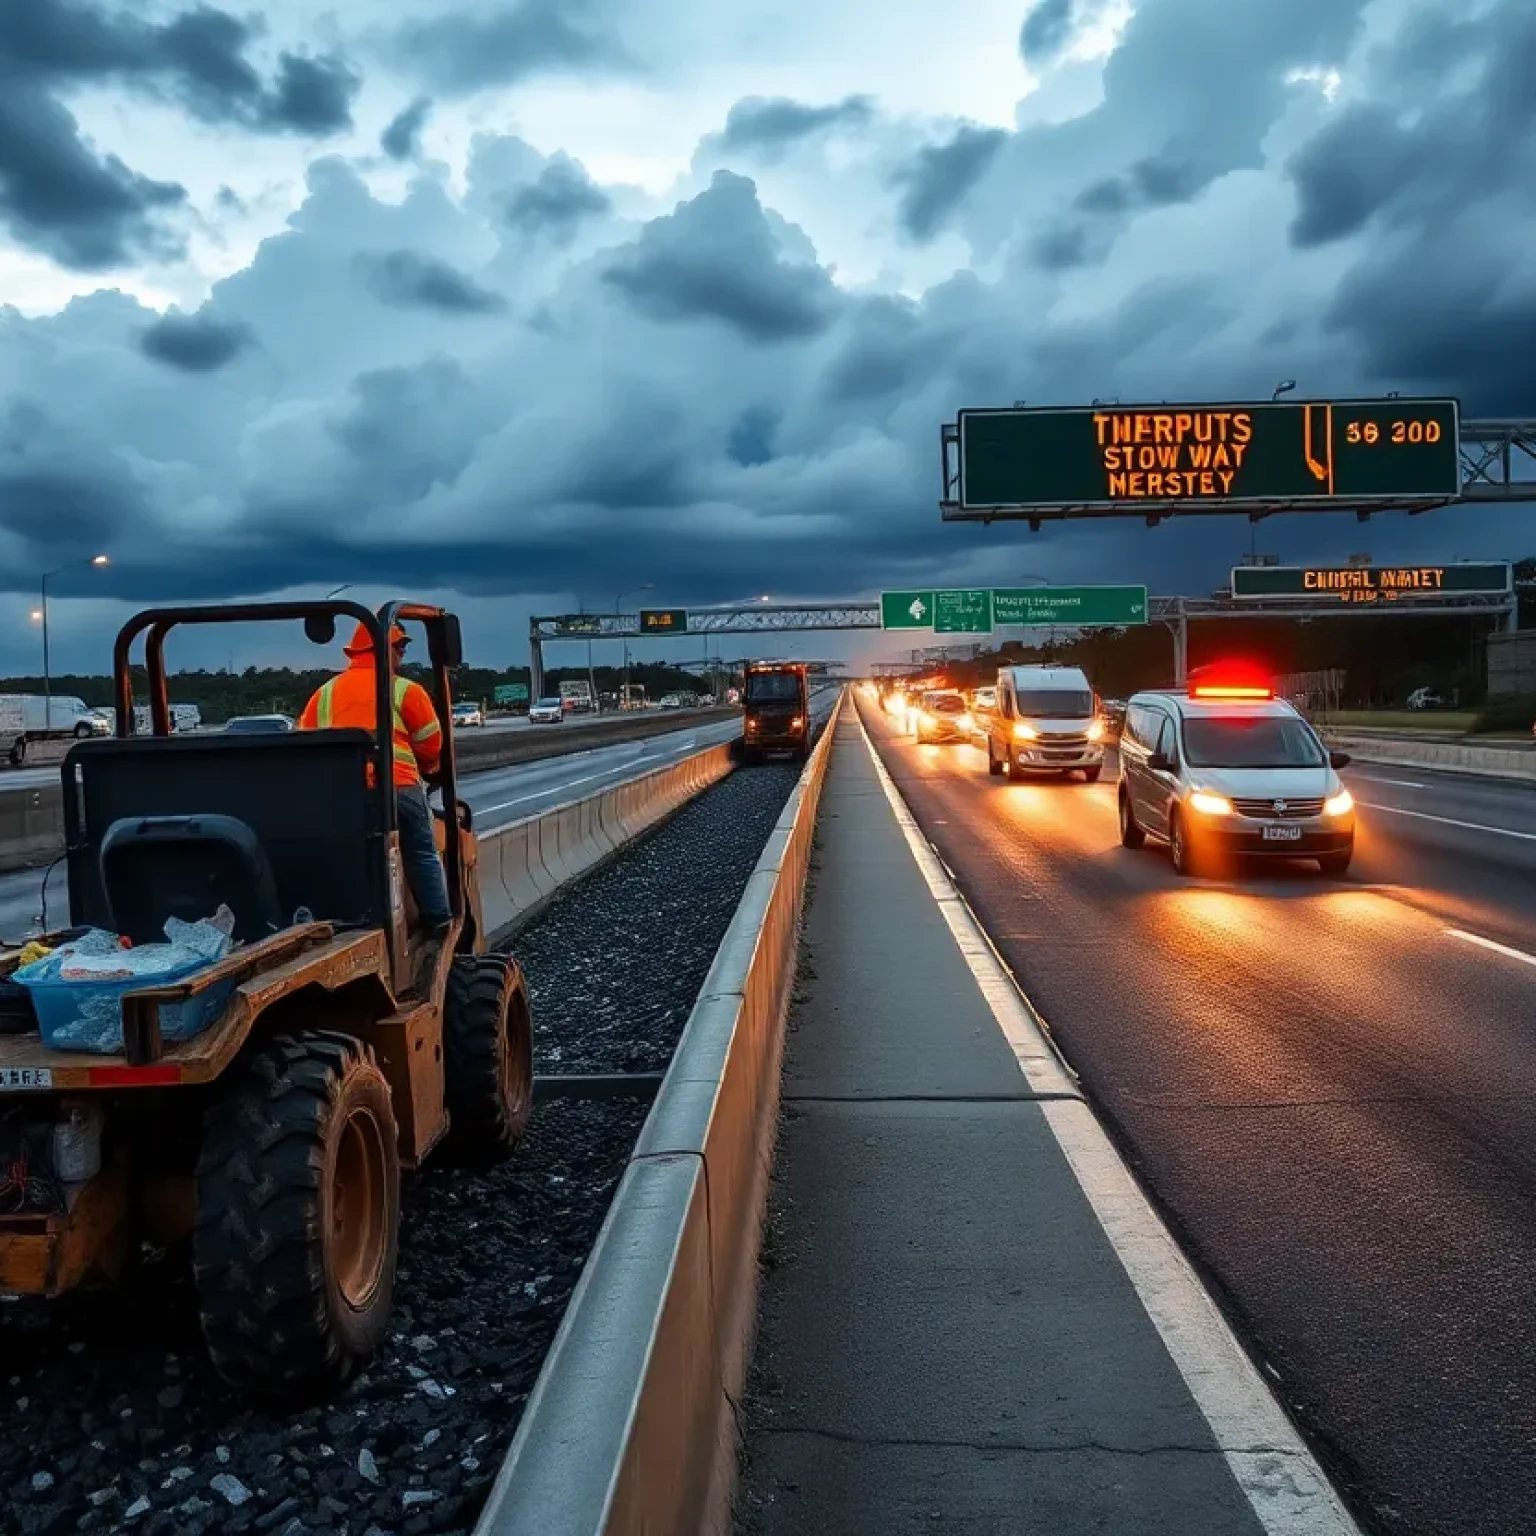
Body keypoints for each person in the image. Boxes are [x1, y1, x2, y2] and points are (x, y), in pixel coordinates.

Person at [298, 621, 453, 937]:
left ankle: (350, 916)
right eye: (399, 647)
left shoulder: (323, 694)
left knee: (348, 853)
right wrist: (428, 767)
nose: (402, 654)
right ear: (383, 649)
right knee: (420, 850)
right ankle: (438, 919)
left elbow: (304, 744)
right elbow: (431, 744)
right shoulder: (405, 689)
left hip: (343, 793)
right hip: (399, 786)